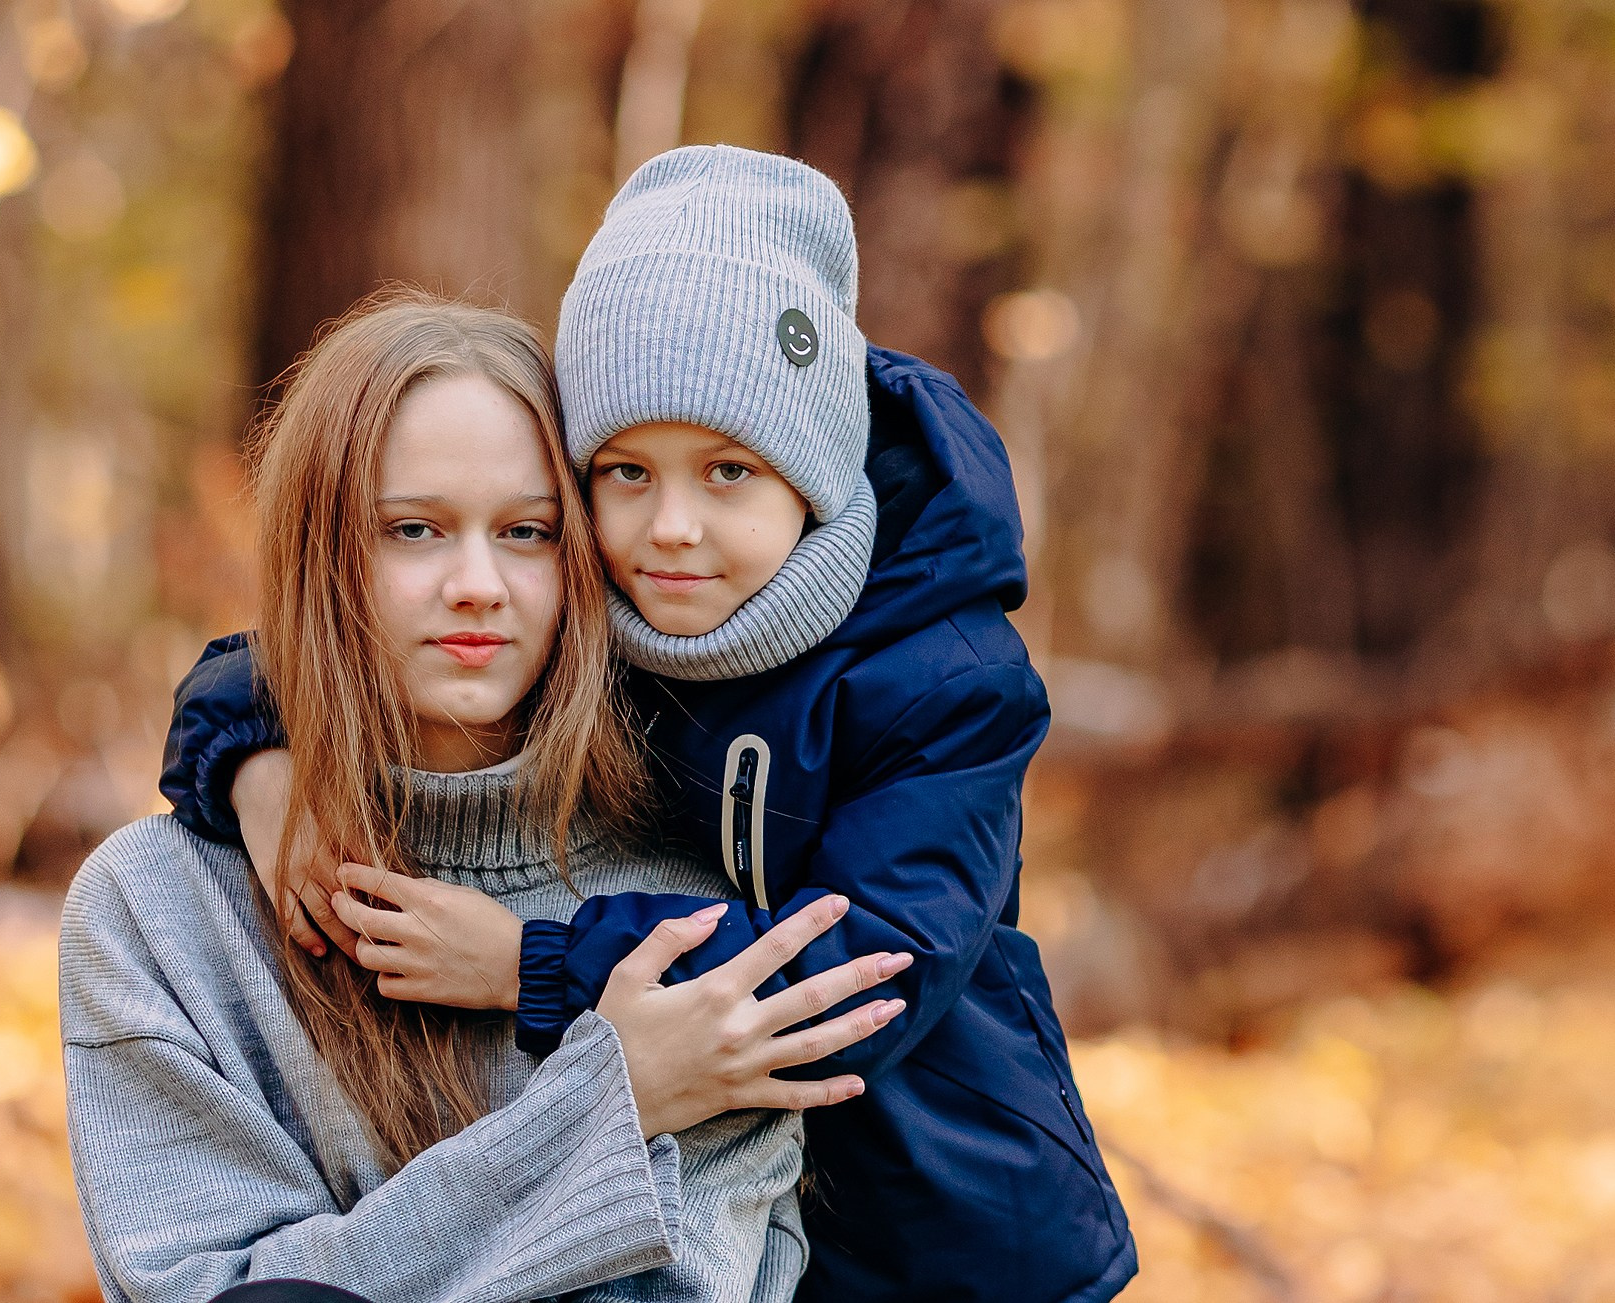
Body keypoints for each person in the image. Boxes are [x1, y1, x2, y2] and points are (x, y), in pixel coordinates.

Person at [162, 147, 1137, 1301]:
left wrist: (530, 962)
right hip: (731, 1213)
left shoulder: (945, 681)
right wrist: (269, 764)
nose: (670, 527)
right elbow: (301, 653)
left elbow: (862, 976)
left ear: (812, 471)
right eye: (626, 471)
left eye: (728, 471)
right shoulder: (603, 621)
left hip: (943, 1218)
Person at [61, 293, 906, 1303]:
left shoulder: (687, 934)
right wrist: (612, 1103)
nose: (477, 584)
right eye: (414, 530)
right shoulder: (158, 909)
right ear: (321, 555)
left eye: (527, 532)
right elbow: (214, 1290)